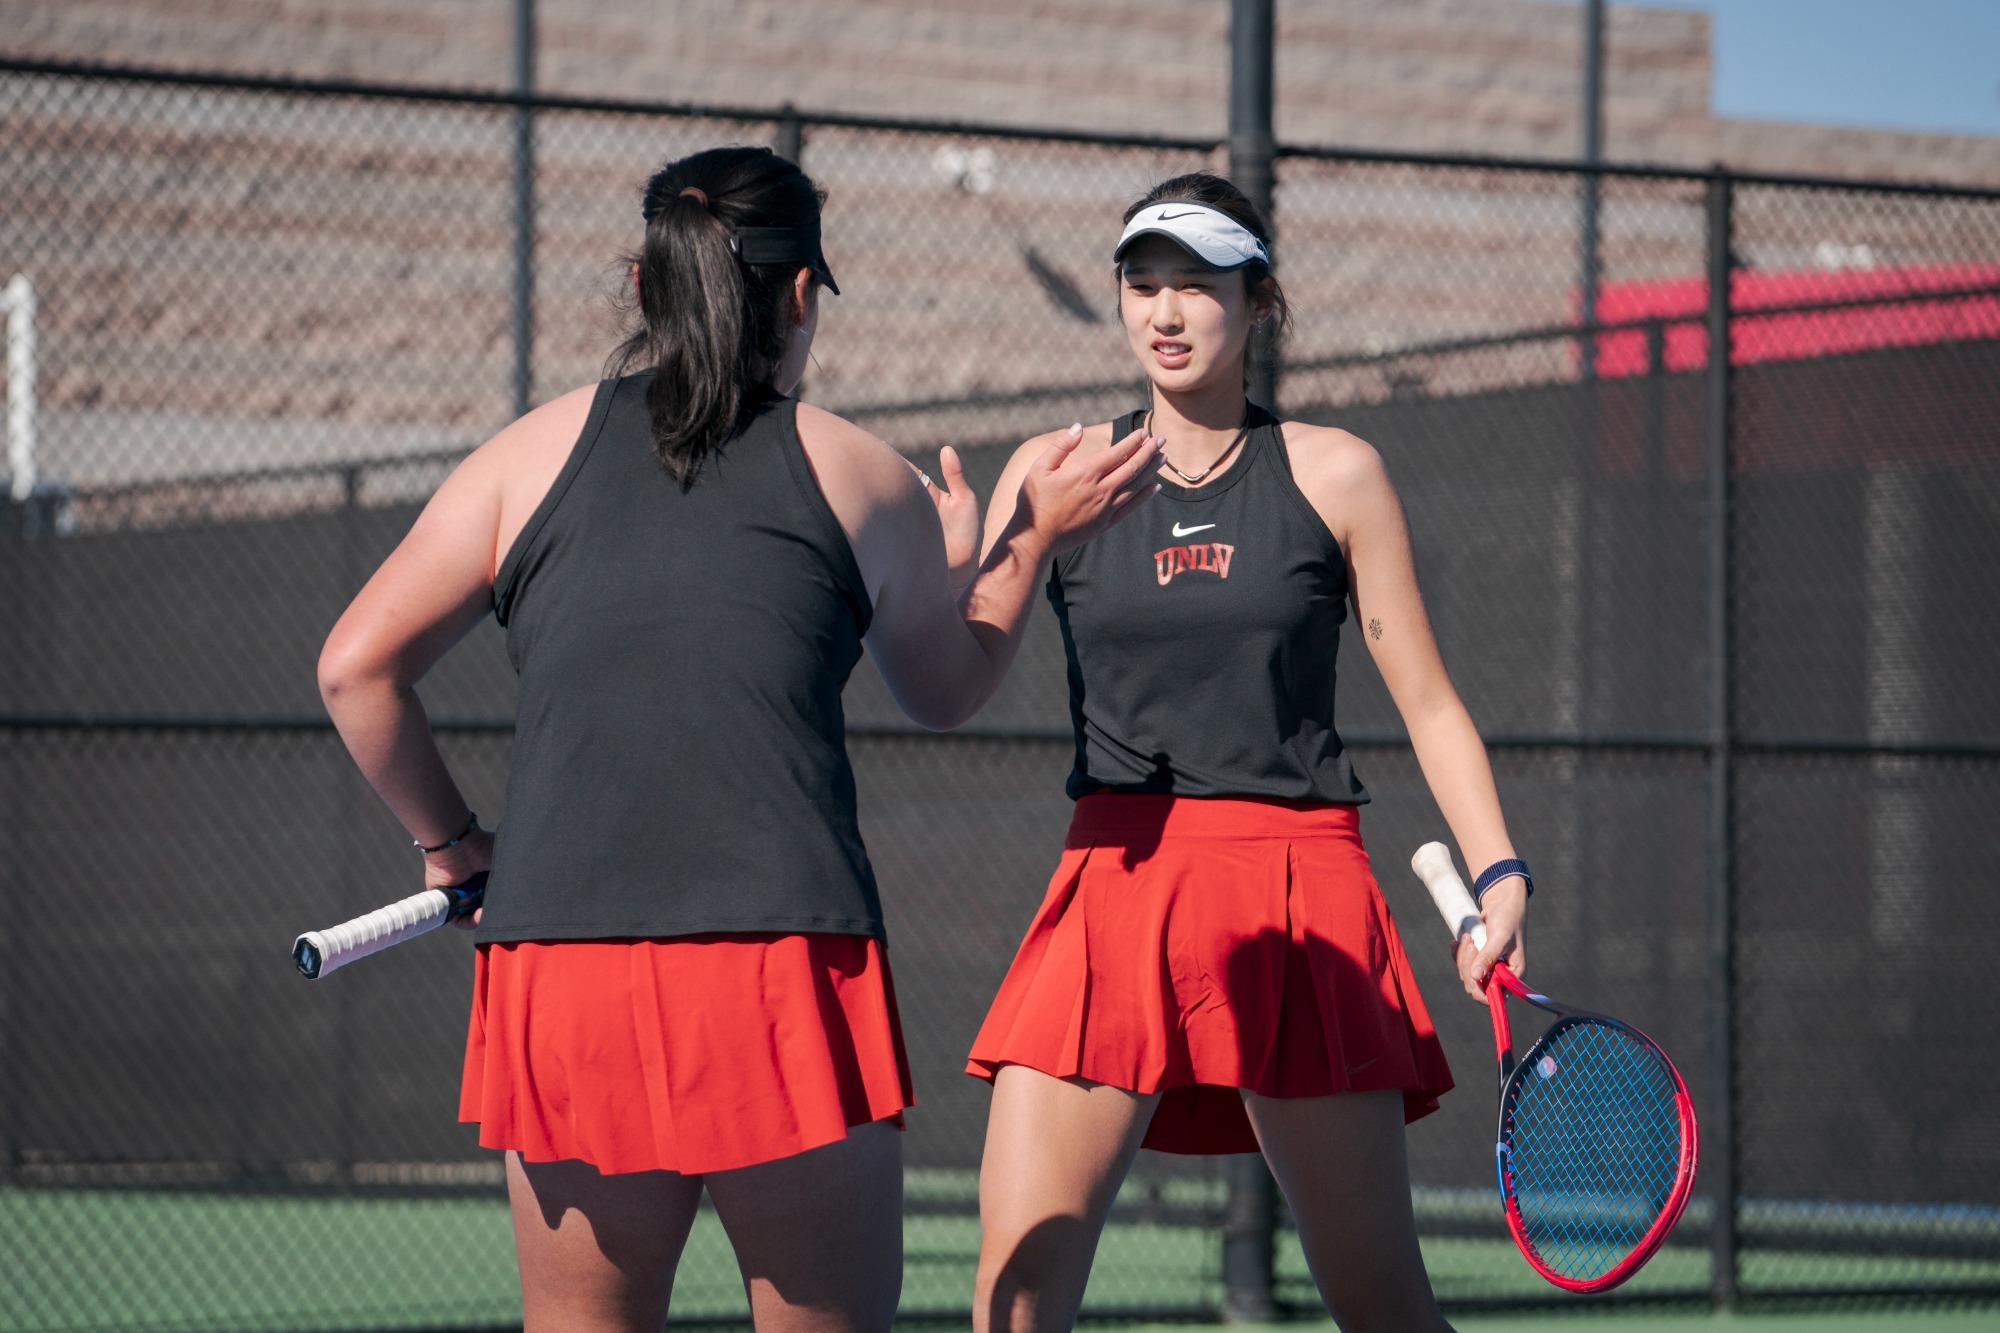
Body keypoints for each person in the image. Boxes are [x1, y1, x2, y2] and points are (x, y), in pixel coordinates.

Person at [316, 145, 1161, 1333]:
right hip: (776, 971)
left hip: (564, 970)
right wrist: (1019, 542)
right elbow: (946, 683)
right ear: (803, 296)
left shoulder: (520, 457)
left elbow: (355, 668)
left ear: (640, 280)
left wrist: (452, 846)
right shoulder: (864, 475)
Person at [965, 172, 1535, 1333]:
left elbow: (1424, 699)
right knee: (1010, 1307)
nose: (1163, 312)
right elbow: (953, 668)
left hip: (1298, 892)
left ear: (1255, 299)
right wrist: (996, 547)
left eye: (1194, 285)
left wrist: (1498, 872)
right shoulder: (1052, 465)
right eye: (1141, 284)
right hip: (1113, 882)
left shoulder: (1335, 471)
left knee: (1384, 1307)